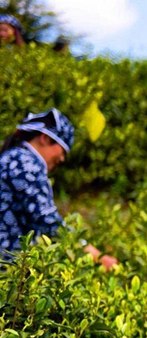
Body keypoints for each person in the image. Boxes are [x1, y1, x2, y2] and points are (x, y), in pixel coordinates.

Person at [0, 109, 117, 270]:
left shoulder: (15, 158)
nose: (62, 158)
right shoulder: (23, 163)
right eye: (63, 150)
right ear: (45, 138)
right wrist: (93, 254)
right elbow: (46, 220)